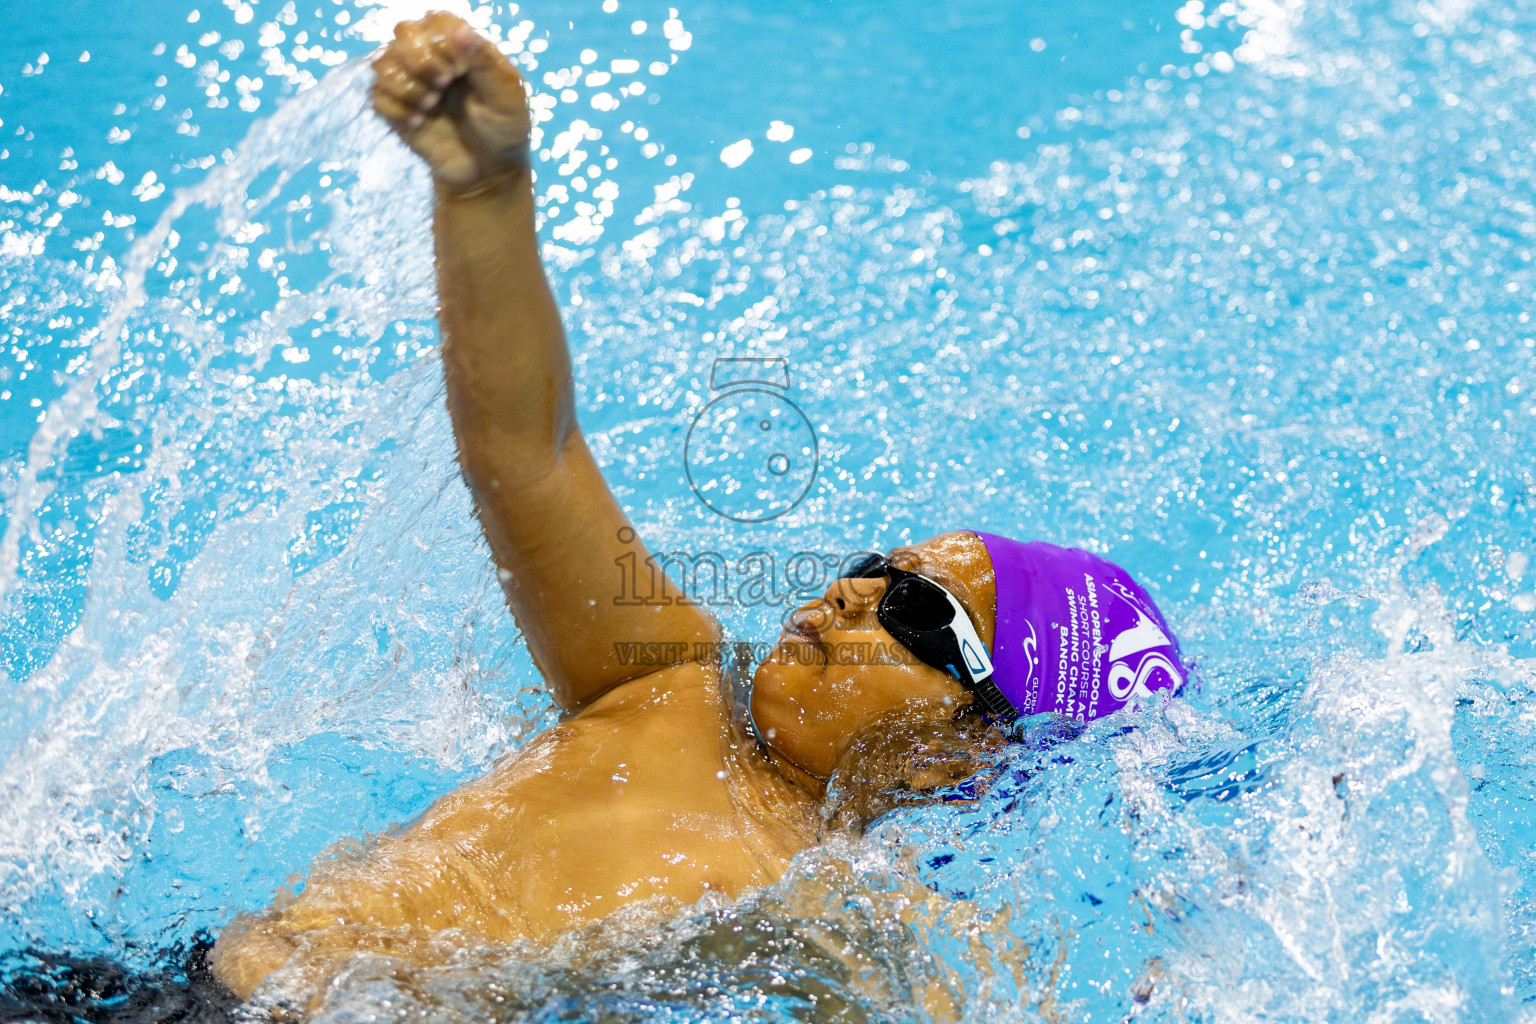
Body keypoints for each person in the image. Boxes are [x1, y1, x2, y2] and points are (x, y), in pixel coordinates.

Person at [209, 11, 1186, 1002]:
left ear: (967, 746)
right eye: (874, 568)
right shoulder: (665, 684)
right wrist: (487, 189)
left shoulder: (871, 934)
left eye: (916, 611)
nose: (852, 597)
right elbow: (527, 453)